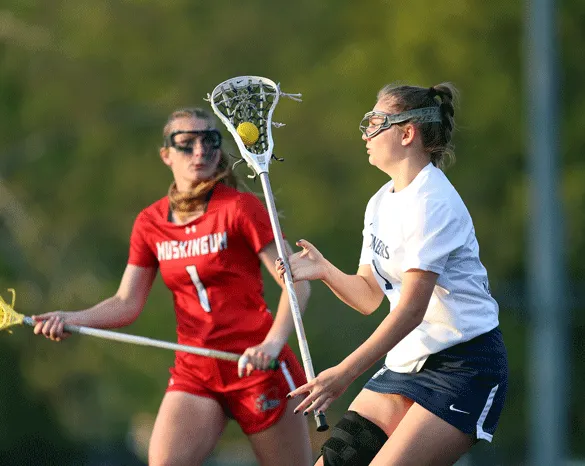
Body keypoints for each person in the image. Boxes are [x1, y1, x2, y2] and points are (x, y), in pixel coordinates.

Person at [32, 108, 314, 466]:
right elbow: (126, 302)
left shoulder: (241, 208)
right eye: (186, 144)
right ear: (166, 155)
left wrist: (271, 344)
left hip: (257, 367)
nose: (200, 152)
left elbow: (297, 284)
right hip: (196, 370)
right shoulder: (150, 222)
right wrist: (71, 318)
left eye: (209, 141)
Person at [277, 83, 508, 466]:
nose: (365, 132)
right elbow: (369, 297)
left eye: (375, 121)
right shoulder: (382, 200)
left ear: (406, 133)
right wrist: (324, 271)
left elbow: (410, 310)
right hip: (408, 362)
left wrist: (344, 373)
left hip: (464, 369)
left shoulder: (433, 203)